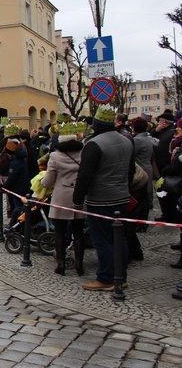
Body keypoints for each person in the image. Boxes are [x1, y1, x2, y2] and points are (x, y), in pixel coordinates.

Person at [73, 105, 134, 291]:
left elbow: (85, 174)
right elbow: (131, 171)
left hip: (101, 199)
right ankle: (120, 276)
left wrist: (78, 198)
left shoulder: (94, 144)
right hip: (122, 196)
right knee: (120, 238)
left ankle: (106, 278)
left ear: (97, 124)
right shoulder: (126, 141)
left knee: (103, 241)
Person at [41, 122, 86, 276]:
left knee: (59, 231)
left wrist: (42, 182)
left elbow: (48, 181)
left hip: (61, 196)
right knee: (78, 231)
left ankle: (61, 265)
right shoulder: (83, 154)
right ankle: (80, 266)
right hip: (79, 197)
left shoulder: (54, 156)